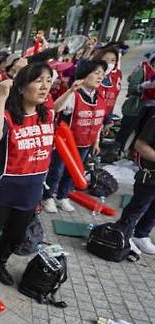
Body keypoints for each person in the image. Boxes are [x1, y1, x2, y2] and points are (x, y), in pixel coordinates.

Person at [0, 63, 55, 291]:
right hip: (2, 188)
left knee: (16, 235)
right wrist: (1, 97)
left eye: (48, 80)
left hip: (31, 189)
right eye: (38, 80)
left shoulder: (48, 115)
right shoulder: (6, 116)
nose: (44, 86)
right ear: (21, 88)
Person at [42, 60, 106, 213]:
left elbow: (99, 120)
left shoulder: (100, 97)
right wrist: (70, 91)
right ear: (85, 74)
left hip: (85, 143)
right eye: (96, 73)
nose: (100, 77)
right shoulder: (74, 95)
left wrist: (96, 142)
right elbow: (55, 108)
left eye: (102, 74)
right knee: (57, 171)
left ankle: (63, 196)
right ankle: (48, 197)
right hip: (66, 144)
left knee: (73, 172)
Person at [116, 116, 155, 254]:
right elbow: (140, 145)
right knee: (138, 207)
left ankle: (141, 235)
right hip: (150, 175)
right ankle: (122, 235)